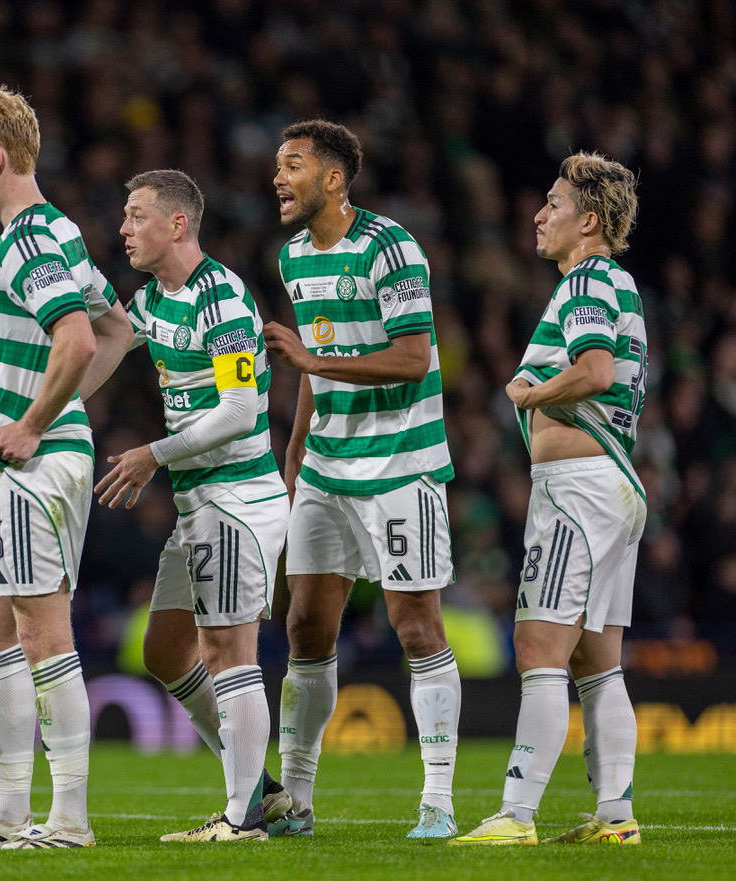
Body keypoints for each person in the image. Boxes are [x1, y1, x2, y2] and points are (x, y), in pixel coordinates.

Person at [0, 84, 133, 850]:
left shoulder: (26, 239)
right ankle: (11, 806)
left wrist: (34, 421)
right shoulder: (57, 232)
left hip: (31, 464)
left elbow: (80, 340)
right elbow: (117, 329)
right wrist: (56, 407)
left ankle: (69, 819)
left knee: (42, 631)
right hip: (33, 458)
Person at [262, 119, 462, 840]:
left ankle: (437, 801)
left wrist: (313, 365)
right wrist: (293, 457)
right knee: (306, 624)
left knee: (416, 625)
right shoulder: (292, 259)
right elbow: (313, 366)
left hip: (401, 464)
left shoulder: (391, 247)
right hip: (325, 466)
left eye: (293, 166)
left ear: (334, 179)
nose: (278, 179)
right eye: (277, 168)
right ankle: (295, 802)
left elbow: (412, 357)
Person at [453, 152, 647, 846]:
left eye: (553, 204)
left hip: (578, 491)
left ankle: (516, 813)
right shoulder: (608, 282)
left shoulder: (590, 281)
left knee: (539, 643)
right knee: (598, 660)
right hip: (612, 486)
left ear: (588, 220)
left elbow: (594, 370)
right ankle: (615, 816)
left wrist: (533, 393)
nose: (539, 214)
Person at [96, 169, 290, 842]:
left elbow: (240, 411)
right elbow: (104, 345)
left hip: (237, 495)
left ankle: (244, 818)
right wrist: (44, 407)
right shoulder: (152, 299)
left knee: (228, 648)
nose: (124, 227)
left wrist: (155, 452)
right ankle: (261, 789)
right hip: (198, 502)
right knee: (166, 648)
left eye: (136, 214)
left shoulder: (222, 302)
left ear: (176, 224)